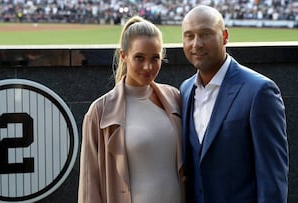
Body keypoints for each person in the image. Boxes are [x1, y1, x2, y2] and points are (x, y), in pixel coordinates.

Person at [179, 5, 289, 203]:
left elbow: (272, 177)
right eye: (189, 36)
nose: (197, 44)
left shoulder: (259, 91)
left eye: (206, 34)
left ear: (225, 36)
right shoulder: (185, 90)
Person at [78, 15, 185, 203]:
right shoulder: (99, 112)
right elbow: (89, 186)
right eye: (139, 58)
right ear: (123, 56)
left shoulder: (175, 98)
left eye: (155, 58)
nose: (148, 66)